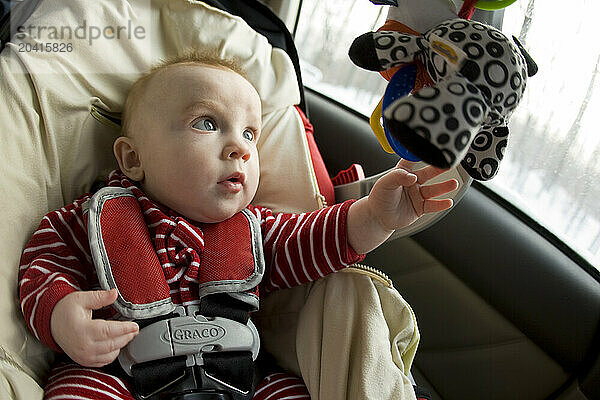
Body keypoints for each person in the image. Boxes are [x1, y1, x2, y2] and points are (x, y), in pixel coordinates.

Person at [18, 50, 458, 400]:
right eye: (207, 123)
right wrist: (61, 317)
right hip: (121, 373)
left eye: (250, 133)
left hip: (239, 377)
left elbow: (313, 240)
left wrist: (373, 218)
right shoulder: (93, 219)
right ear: (133, 159)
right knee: (76, 388)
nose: (240, 148)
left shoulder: (253, 229)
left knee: (287, 390)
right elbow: (41, 268)